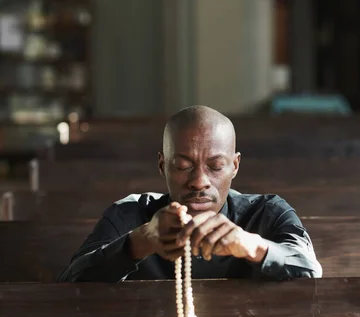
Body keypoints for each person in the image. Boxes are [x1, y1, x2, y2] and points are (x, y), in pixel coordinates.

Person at [57, 105, 322, 282]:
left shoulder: (267, 212)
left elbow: (311, 269)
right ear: (162, 165)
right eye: (183, 167)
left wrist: (250, 245)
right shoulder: (130, 213)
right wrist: (141, 242)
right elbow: (69, 281)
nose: (198, 182)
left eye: (216, 166)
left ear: (235, 166)